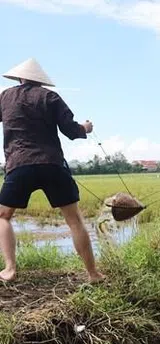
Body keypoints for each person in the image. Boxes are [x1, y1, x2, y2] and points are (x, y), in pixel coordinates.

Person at [0, 58, 104, 283]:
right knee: (74, 219)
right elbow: (71, 130)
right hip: (52, 164)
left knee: (3, 216)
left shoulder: (5, 97)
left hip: (19, 164)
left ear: (19, 78)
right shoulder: (50, 97)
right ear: (40, 81)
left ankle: (9, 269)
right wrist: (85, 128)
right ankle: (93, 274)